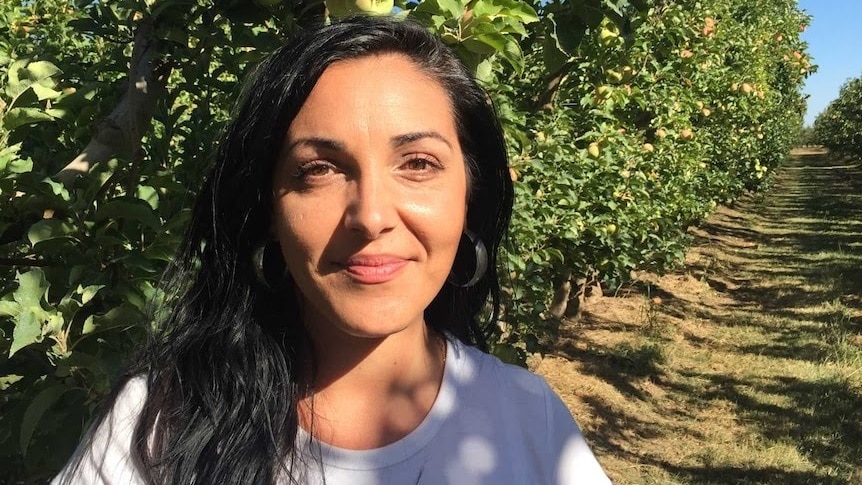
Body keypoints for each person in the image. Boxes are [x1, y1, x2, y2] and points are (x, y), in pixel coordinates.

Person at [54, 16, 611, 485]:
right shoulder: (159, 425)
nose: (370, 216)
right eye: (319, 169)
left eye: (418, 164)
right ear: (268, 210)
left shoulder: (529, 421)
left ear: (470, 196)